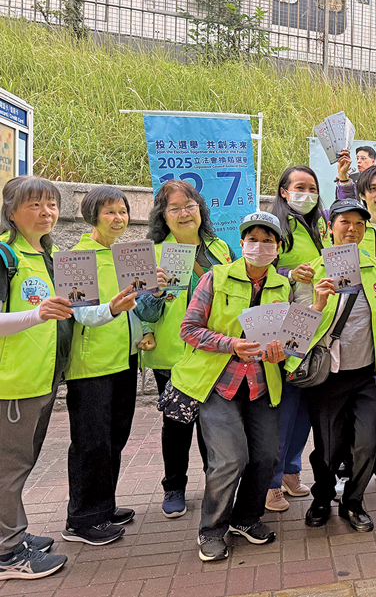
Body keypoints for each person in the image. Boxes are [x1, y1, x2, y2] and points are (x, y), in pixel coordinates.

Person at [171, 211, 290, 562]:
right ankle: (212, 529)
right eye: (253, 239)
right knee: (229, 460)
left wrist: (281, 350)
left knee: (266, 456)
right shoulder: (215, 278)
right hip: (218, 384)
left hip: (260, 384)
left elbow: (288, 337)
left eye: (268, 241)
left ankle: (246, 518)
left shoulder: (282, 286)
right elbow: (189, 328)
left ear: (278, 248)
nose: (260, 246)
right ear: (241, 244)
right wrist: (230, 344)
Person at [294, 199, 376, 532]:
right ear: (329, 228)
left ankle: (353, 502)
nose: (352, 229)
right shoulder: (311, 271)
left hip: (368, 375)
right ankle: (321, 499)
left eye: (359, 225)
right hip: (328, 376)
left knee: (368, 444)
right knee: (328, 448)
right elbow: (299, 331)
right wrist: (318, 303)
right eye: (344, 222)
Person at [135, 179, 235, 518]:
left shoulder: (220, 248)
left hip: (214, 353)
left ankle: (215, 485)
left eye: (189, 206)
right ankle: (174, 486)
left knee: (215, 425)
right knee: (176, 425)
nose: (183, 213)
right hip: (173, 355)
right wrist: (158, 292)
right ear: (162, 216)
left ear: (200, 210)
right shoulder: (152, 253)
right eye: (174, 208)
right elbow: (144, 311)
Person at [62, 186, 151, 546]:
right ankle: (82, 520)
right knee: (90, 442)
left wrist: (144, 329)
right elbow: (81, 314)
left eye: (123, 211)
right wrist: (112, 309)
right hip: (91, 366)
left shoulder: (126, 254)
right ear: (92, 215)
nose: (119, 218)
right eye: (110, 212)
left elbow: (137, 303)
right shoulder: (76, 258)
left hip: (124, 360)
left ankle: (103, 505)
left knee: (115, 437)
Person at [0, 177, 73, 579]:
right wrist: (36, 314)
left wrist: (111, 307)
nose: (46, 212)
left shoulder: (48, 254)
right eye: (35, 205)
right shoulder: (3, 255)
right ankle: (7, 554)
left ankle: (12, 535)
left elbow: (69, 311)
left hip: (43, 378)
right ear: (11, 210)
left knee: (19, 464)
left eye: (51, 205)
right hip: (11, 383)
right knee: (7, 467)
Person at [266, 165, 329, 511]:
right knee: (286, 405)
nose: (307, 193)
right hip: (286, 326)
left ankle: (291, 470)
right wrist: (290, 273)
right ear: (284, 192)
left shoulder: (317, 227)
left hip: (316, 322)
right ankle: (271, 481)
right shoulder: (276, 227)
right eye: (299, 187)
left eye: (312, 188)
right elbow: (258, 267)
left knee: (305, 404)